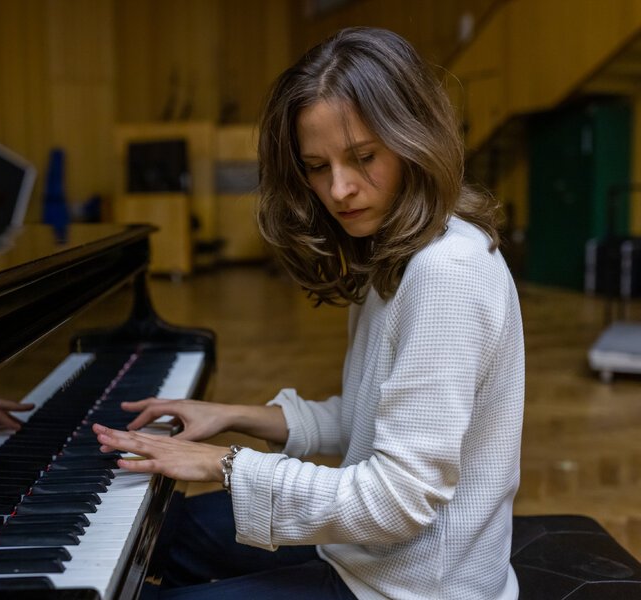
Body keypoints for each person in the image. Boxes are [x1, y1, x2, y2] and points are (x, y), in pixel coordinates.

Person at [92, 26, 524, 600]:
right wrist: (231, 415)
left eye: (363, 157)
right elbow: (372, 417)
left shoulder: (446, 272)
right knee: (169, 533)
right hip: (369, 555)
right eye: (318, 166)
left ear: (413, 139)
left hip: (416, 586)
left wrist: (223, 463)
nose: (339, 189)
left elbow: (399, 501)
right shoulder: (399, 248)